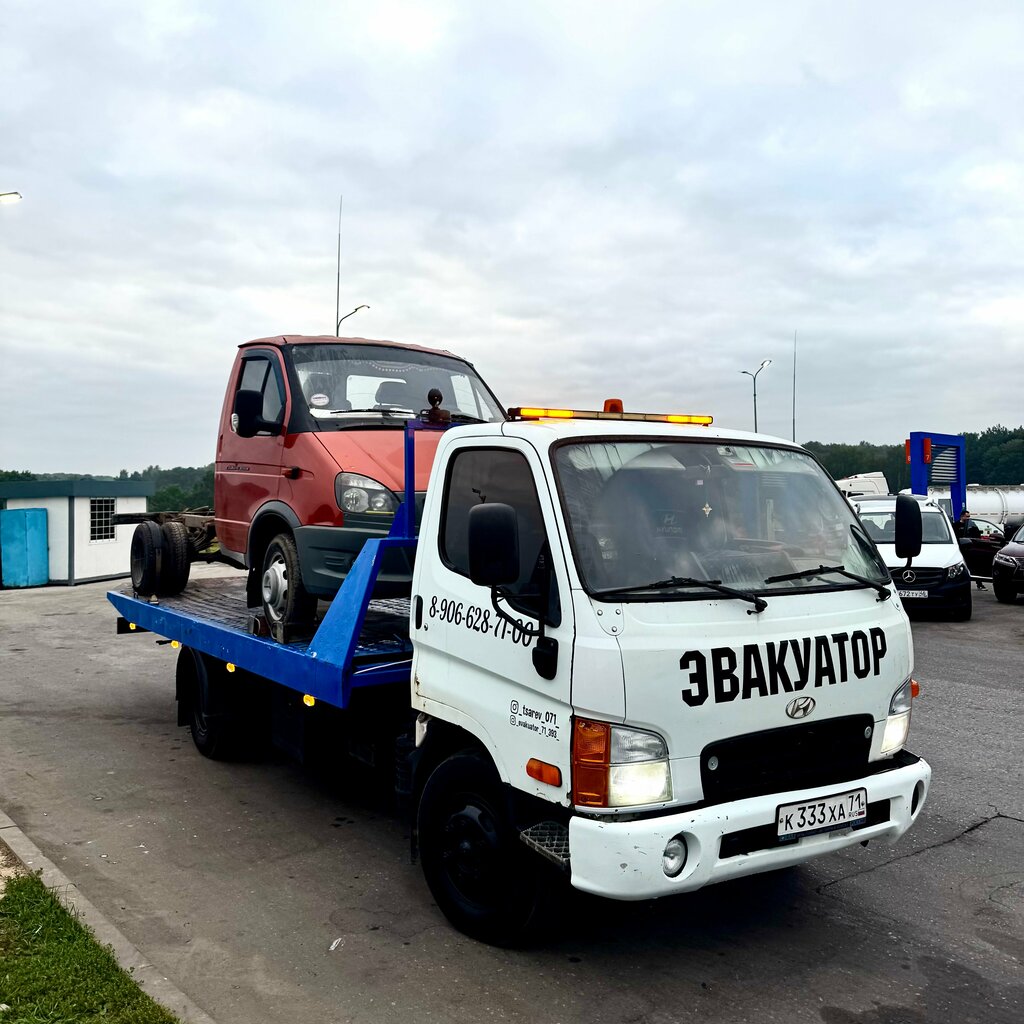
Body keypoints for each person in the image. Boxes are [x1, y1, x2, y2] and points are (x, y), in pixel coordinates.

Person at [954, 510, 986, 590]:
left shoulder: (971, 526)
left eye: (969, 516)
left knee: (976, 566)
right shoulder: (955, 525)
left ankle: (979, 584)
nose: (968, 518)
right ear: (962, 516)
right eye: (967, 516)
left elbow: (977, 536)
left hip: (971, 549)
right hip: (960, 549)